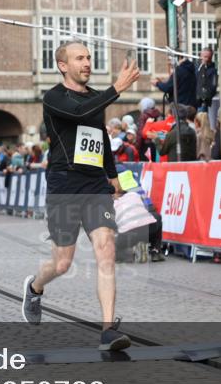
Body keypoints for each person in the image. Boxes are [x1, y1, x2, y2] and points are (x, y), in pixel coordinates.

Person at [21, 42, 140, 351]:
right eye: (80, 58)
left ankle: (108, 329)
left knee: (106, 250)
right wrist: (116, 89)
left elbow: (98, 139)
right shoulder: (55, 97)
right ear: (63, 65)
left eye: (89, 57)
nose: (87, 62)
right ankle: (34, 287)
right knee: (62, 264)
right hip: (64, 187)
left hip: (95, 187)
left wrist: (112, 178)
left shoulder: (95, 99)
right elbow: (78, 111)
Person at [195, 47, 218, 112]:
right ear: (201, 56)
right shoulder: (196, 67)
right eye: (205, 57)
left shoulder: (213, 71)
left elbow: (214, 86)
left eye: (209, 57)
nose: (207, 59)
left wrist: (206, 96)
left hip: (203, 102)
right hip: (193, 100)